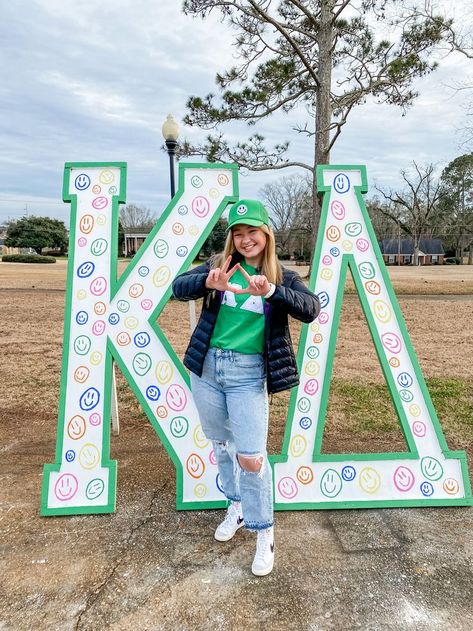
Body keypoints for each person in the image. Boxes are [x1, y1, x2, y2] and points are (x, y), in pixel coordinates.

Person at [172, 199, 320, 576]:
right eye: (238, 233)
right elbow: (177, 287)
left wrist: (271, 291)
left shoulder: (282, 276)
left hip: (248, 374)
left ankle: (263, 532)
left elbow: (310, 308)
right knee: (222, 445)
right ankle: (235, 506)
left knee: (251, 458)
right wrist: (208, 280)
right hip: (207, 368)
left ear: (265, 234)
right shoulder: (219, 267)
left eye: (252, 232)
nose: (245, 239)